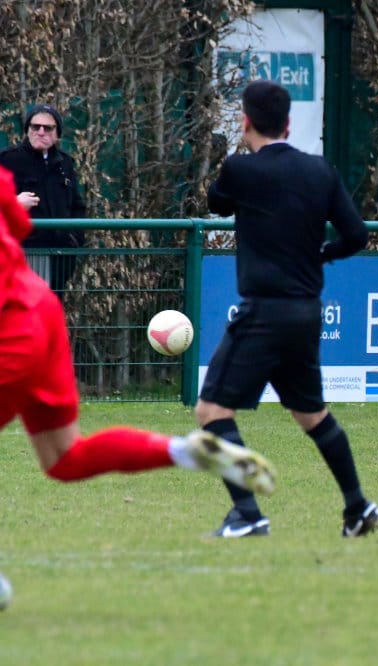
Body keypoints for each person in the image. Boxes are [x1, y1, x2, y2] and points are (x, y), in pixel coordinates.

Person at [0, 163, 276, 609]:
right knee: (64, 458)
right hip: (39, 308)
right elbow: (17, 223)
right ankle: (184, 451)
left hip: (9, 325)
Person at [198, 80, 378, 538]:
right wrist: (321, 254)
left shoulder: (240, 170)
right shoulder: (319, 171)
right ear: (287, 123)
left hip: (264, 312)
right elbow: (357, 235)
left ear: (245, 121)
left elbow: (216, 202)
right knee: (311, 416)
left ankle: (247, 514)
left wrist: (232, 163)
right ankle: (357, 507)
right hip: (305, 313)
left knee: (211, 412)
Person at [0, 104, 86, 296]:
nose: (40, 132)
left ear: (57, 134)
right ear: (27, 129)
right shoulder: (7, 160)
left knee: (52, 306)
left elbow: (77, 206)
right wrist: (14, 203)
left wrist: (74, 239)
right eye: (35, 126)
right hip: (24, 254)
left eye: (48, 128)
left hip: (60, 256)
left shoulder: (65, 163)